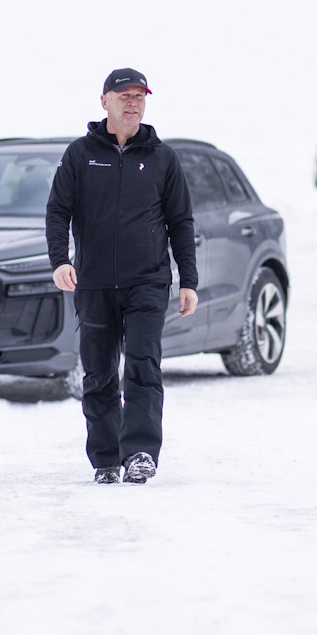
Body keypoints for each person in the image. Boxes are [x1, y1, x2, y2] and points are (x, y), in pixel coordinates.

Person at [46, 67, 198, 485]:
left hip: (147, 281)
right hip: (93, 282)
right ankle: (107, 458)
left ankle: (142, 453)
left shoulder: (162, 158)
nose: (133, 102)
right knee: (98, 373)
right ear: (104, 101)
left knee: (144, 365)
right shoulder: (80, 154)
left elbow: (181, 221)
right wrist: (60, 259)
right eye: (124, 95)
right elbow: (58, 210)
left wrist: (188, 281)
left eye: (139, 96)